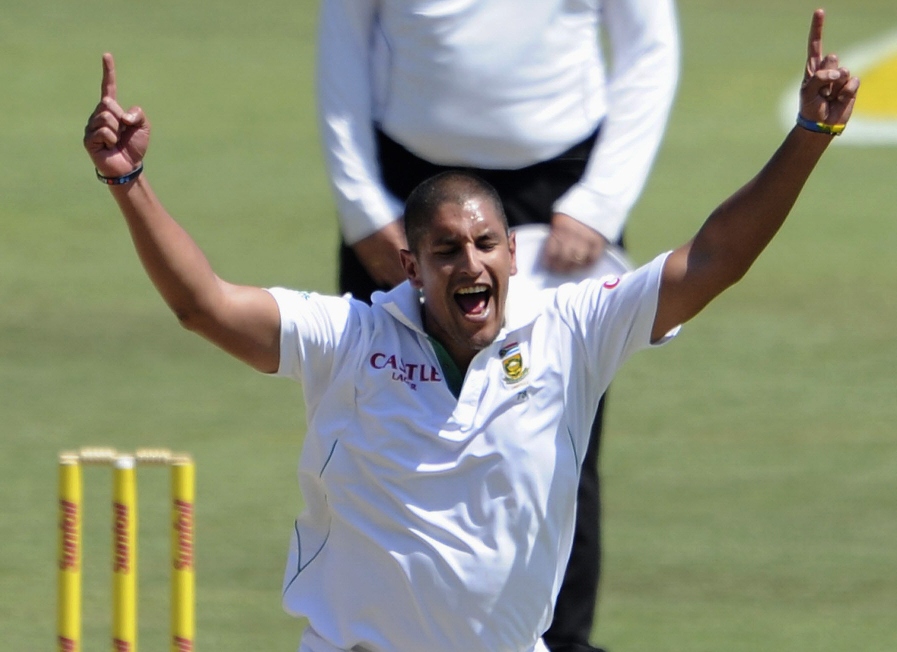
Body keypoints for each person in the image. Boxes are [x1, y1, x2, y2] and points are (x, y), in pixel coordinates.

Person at [83, 10, 857, 651]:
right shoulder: (349, 338)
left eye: (484, 245)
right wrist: (128, 182)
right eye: (445, 251)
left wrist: (810, 134)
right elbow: (205, 306)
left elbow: (715, 257)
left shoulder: (573, 330)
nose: (469, 265)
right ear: (409, 267)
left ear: (512, 255)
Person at [316, 2, 680, 646]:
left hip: (563, 187)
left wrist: (602, 200)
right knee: (380, 427)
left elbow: (649, 43)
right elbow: (342, 40)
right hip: (403, 187)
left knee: (554, 437)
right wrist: (362, 210)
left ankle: (559, 640)